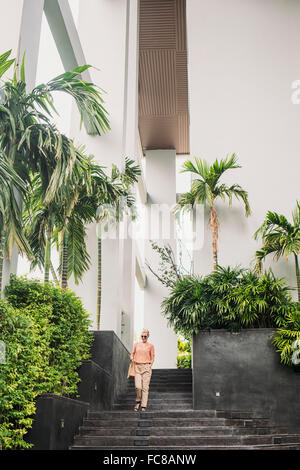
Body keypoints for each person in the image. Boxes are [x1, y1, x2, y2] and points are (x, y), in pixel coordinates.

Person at [130, 328, 155, 412]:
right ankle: (138, 401)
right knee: (138, 387)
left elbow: (152, 357)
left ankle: (143, 405)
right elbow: (132, 353)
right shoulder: (136, 344)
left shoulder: (150, 346)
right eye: (142, 336)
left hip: (146, 367)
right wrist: (132, 358)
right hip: (137, 367)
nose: (143, 337)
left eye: (145, 336)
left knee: (145, 388)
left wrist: (150, 365)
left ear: (148, 336)